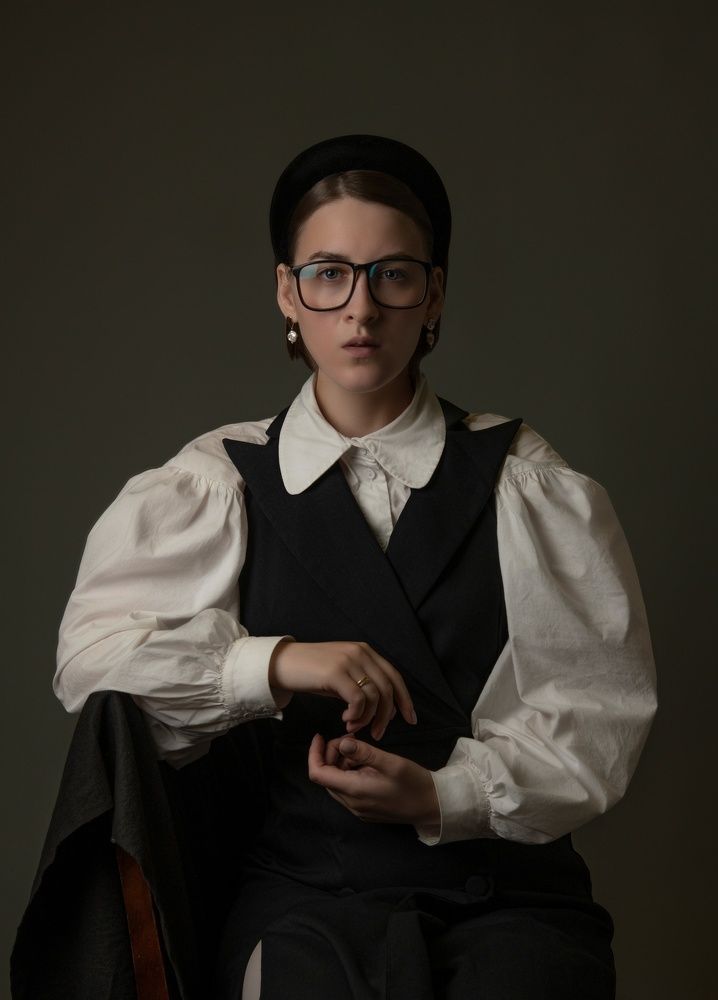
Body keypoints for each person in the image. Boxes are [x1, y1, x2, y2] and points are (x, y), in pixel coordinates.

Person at [53, 134, 657, 999]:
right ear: (286, 292)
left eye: (392, 275)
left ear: (433, 293)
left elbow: (596, 723)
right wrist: (278, 662)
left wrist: (441, 797)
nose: (360, 310)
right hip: (304, 895)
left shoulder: (526, 482)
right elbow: (89, 666)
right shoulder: (219, 479)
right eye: (329, 274)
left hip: (508, 895)